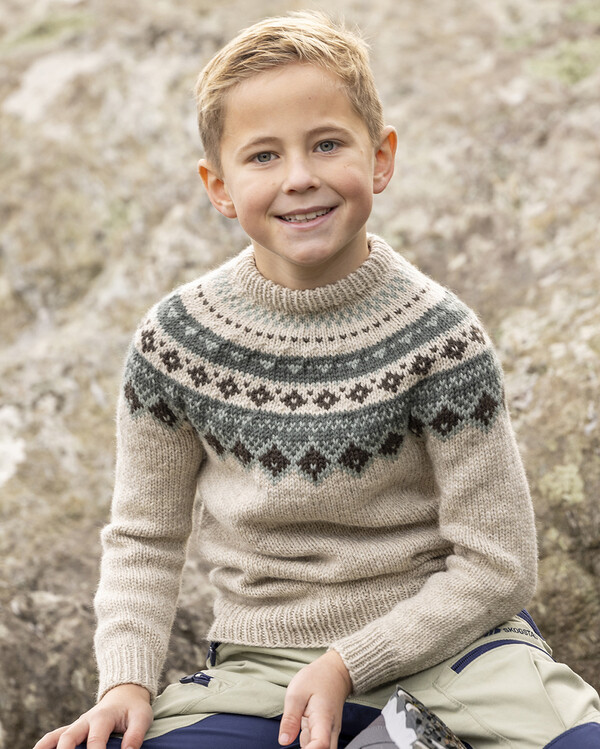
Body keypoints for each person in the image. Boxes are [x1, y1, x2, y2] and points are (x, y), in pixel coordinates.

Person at [34, 10, 600, 749]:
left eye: (327, 144)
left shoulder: (441, 337)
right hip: (264, 674)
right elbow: (146, 537)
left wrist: (350, 662)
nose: (299, 177)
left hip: (459, 657)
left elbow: (499, 566)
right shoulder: (177, 341)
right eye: (263, 156)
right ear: (219, 187)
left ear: (381, 158)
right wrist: (125, 682)